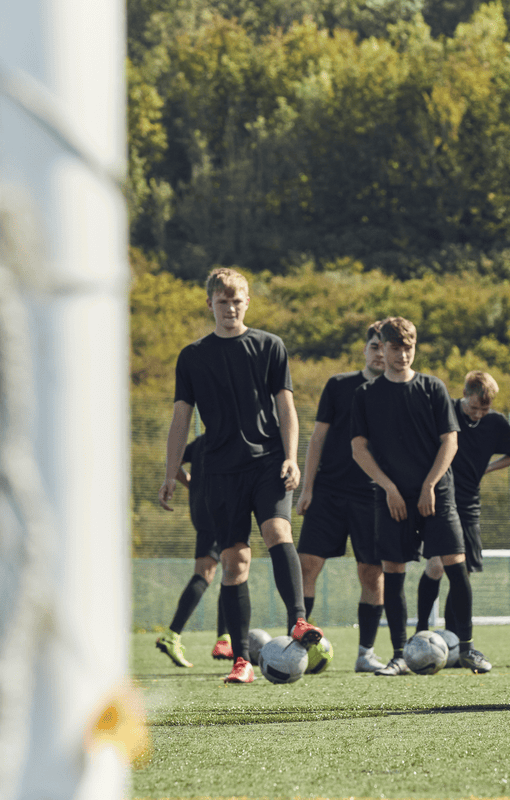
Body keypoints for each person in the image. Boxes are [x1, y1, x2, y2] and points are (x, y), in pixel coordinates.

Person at [159, 267, 323, 685]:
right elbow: (181, 418)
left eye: (237, 301)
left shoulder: (270, 346)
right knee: (235, 563)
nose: (230, 308)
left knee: (277, 531)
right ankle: (242, 661)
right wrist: (170, 472)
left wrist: (292, 458)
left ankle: (299, 621)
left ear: (247, 302)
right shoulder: (192, 356)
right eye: (222, 301)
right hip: (220, 471)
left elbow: (286, 407)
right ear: (210, 304)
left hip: (268, 461)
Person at [350, 317, 491, 675]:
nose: (402, 355)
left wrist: (429, 485)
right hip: (392, 497)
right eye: (395, 348)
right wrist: (389, 488)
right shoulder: (366, 394)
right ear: (382, 347)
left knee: (456, 566)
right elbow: (358, 449)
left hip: (436, 493)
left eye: (409, 348)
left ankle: (467, 649)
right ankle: (399, 655)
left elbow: (450, 441)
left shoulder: (433, 387)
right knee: (393, 573)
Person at [296, 321, 388, 673]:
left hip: (373, 496)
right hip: (328, 492)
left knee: (371, 573)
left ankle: (366, 653)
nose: (380, 354)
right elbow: (317, 438)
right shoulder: (338, 385)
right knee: (307, 565)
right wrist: (307, 489)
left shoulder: (399, 391)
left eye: (386, 347)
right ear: (365, 350)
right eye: (375, 346)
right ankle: (298, 647)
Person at [415, 371, 510, 638]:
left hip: (468, 504)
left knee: (462, 572)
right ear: (465, 394)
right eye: (474, 408)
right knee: (436, 565)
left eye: (484, 409)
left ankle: (453, 636)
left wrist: (488, 468)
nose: (478, 414)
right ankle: (421, 630)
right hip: (441, 498)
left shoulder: (495, 422)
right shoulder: (447, 411)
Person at [155, 433, 231, 667]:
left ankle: (218, 637)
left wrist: (192, 482)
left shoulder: (200, 442)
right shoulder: (231, 436)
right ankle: (222, 639)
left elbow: (173, 460)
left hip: (201, 509)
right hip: (220, 508)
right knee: (228, 570)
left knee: (213, 570)